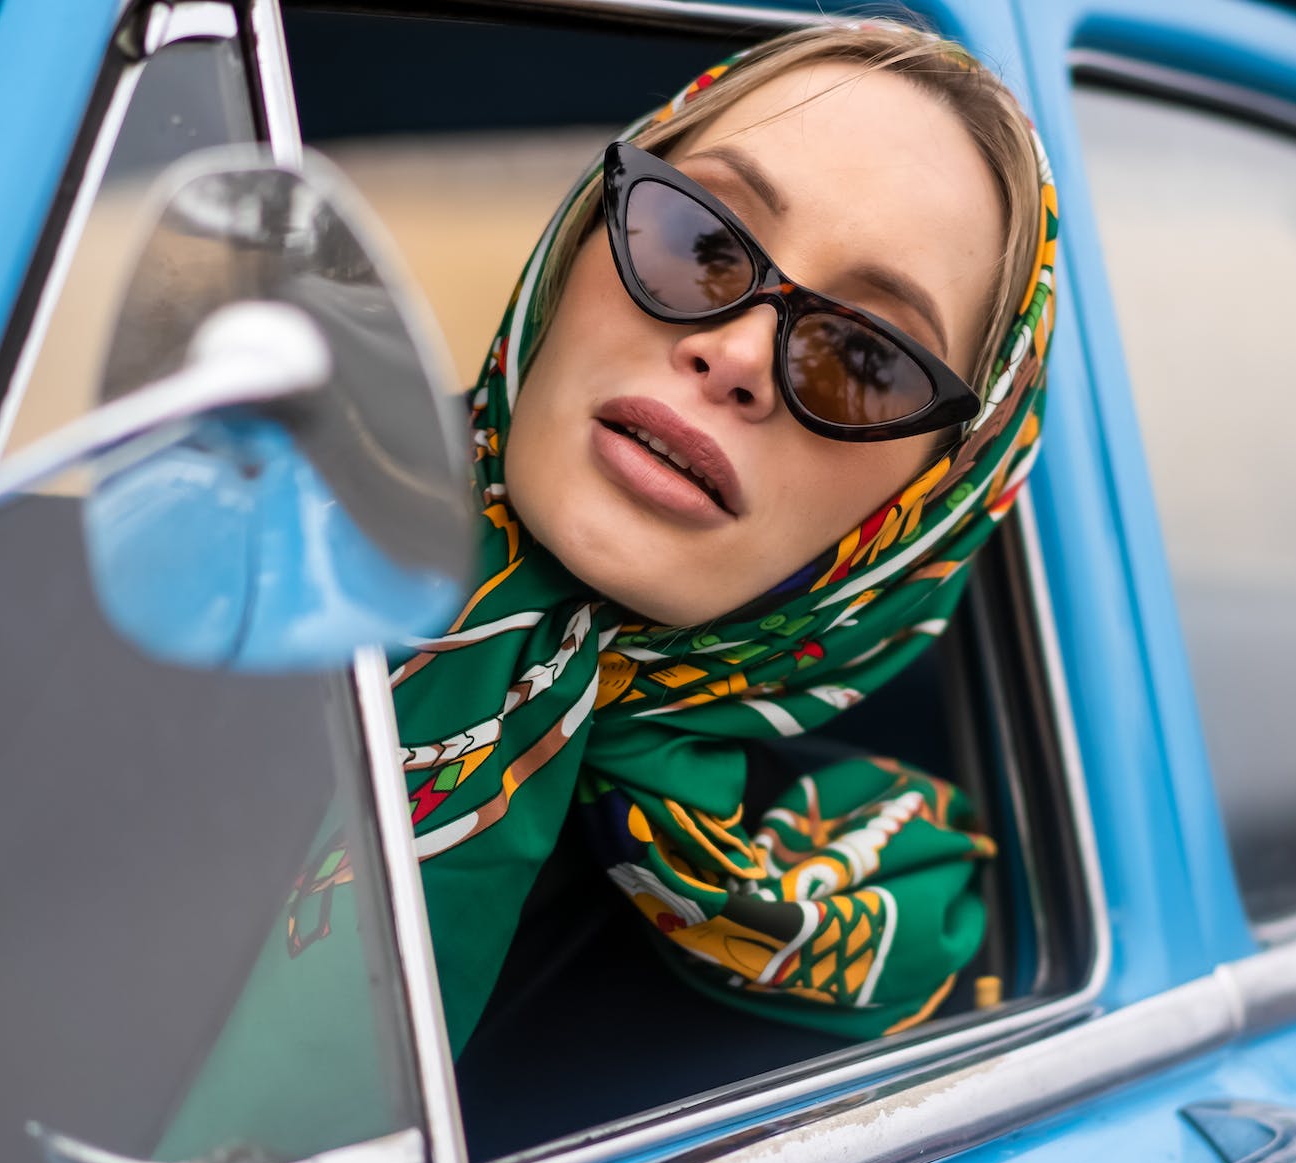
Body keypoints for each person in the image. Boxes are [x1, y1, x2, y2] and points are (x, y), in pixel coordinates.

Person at [388, 17, 1061, 1088]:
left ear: (935, 491)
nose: (736, 354)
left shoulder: (864, 931)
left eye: (862, 356)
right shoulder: (163, 590)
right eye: (696, 236)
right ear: (579, 243)